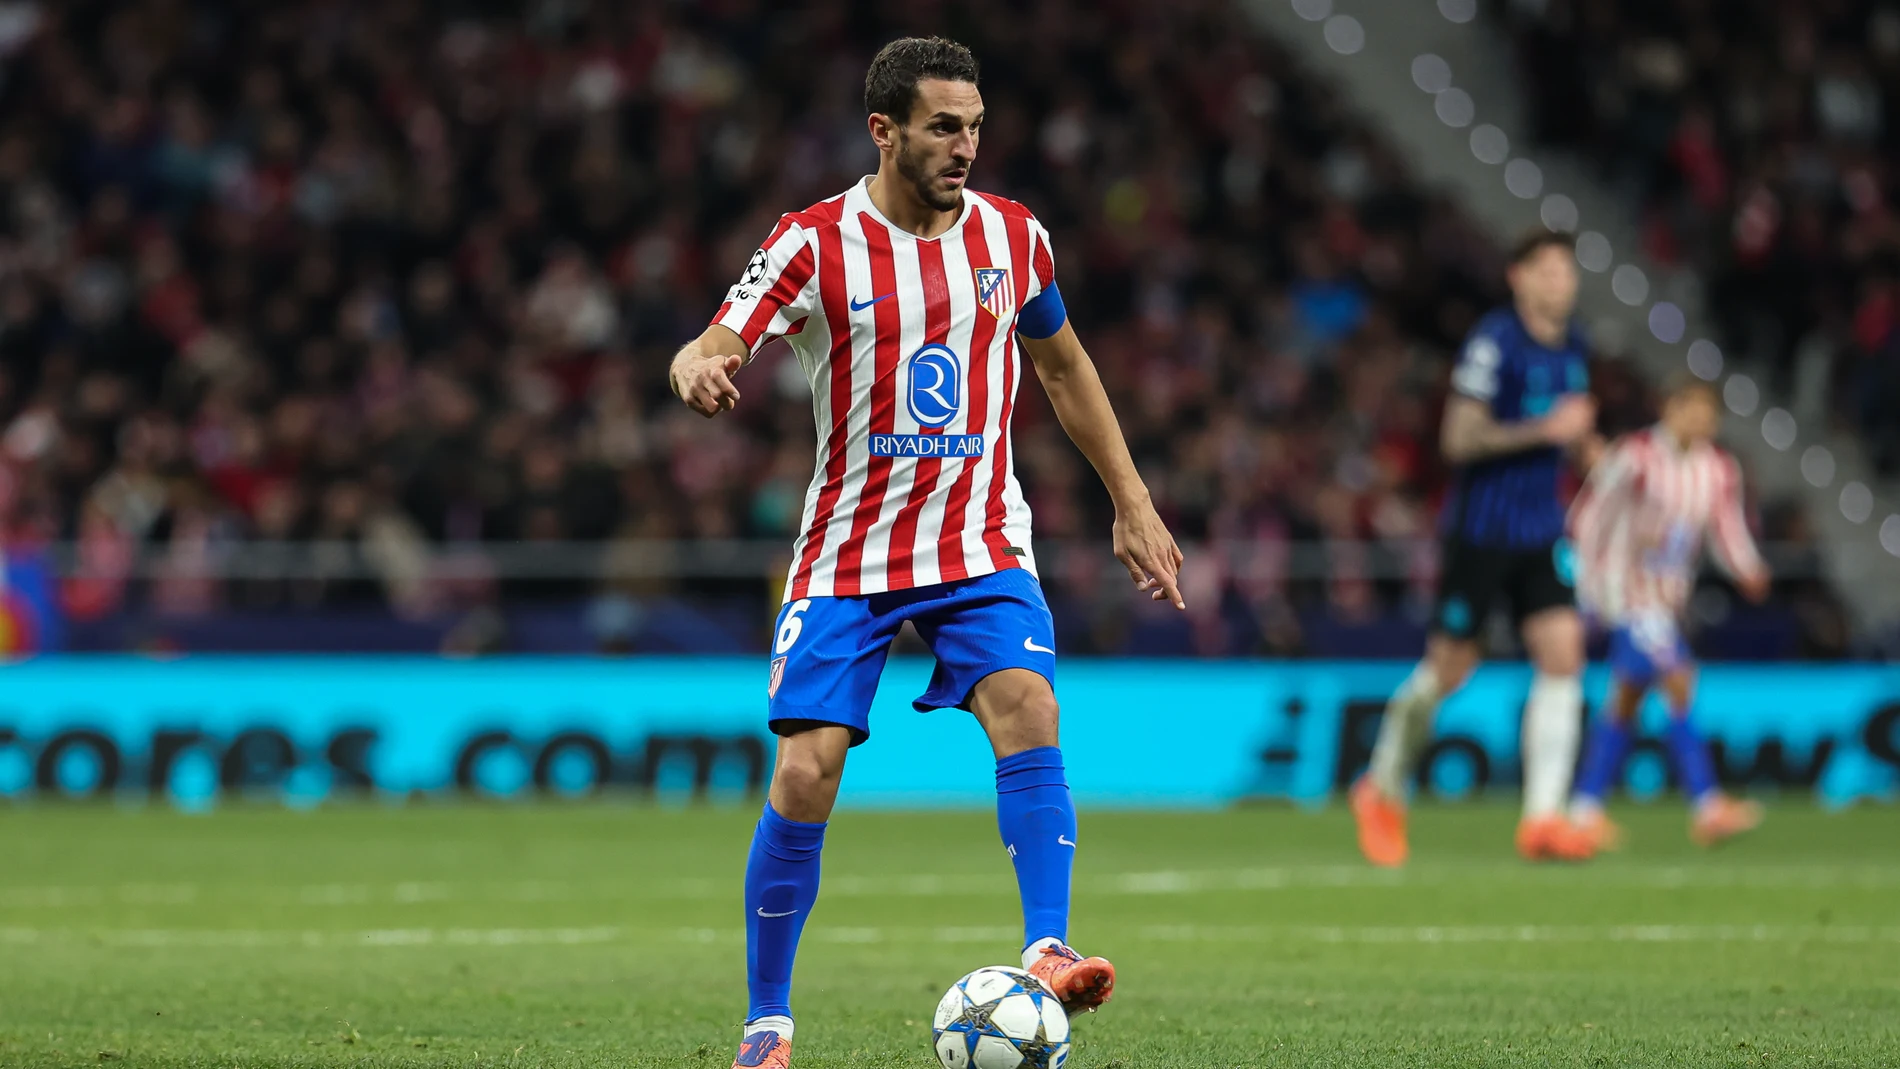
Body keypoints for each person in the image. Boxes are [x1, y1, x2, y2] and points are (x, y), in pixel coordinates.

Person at [667, 37, 1185, 1069]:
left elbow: (1064, 368)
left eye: (975, 127)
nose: (965, 146)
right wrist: (697, 368)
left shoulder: (1014, 236)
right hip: (848, 552)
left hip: (978, 538)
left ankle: (1047, 945)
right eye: (944, 127)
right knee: (806, 769)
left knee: (1029, 706)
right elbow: (716, 338)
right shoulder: (813, 243)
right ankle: (767, 1020)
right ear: (884, 130)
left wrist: (1131, 498)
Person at [1351, 229, 1599, 867]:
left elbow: (1571, 436)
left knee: (1564, 656)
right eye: (1547, 270)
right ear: (1519, 276)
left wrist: (1594, 454)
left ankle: (1543, 818)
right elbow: (1459, 438)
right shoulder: (1495, 342)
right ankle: (1380, 788)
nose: (1561, 282)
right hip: (1482, 532)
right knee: (1449, 669)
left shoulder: (1573, 346)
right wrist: (1546, 428)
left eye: (1567, 271)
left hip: (1542, 531)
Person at [1566, 376, 1771, 848]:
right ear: (1669, 409)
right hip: (1626, 593)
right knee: (1679, 679)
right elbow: (1591, 513)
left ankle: (1584, 809)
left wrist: (1748, 568)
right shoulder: (1635, 456)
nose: (1701, 419)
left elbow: (1726, 525)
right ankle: (1708, 805)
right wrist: (1589, 583)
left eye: (1708, 412)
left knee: (1626, 700)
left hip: (1668, 598)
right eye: (1691, 408)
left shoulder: (1718, 468)